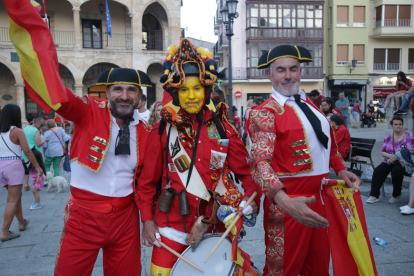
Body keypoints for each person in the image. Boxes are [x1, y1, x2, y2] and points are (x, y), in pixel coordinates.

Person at [138, 38, 261, 276]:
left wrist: (249, 200)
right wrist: (147, 221)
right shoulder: (161, 130)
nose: (191, 96)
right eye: (184, 90)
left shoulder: (224, 129)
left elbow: (247, 175)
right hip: (169, 231)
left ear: (206, 91)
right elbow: (146, 184)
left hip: (215, 230)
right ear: (176, 94)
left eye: (196, 89)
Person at [248, 44, 359, 276]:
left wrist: (340, 169)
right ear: (269, 74)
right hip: (287, 200)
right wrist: (283, 200)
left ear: (301, 71)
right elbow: (259, 164)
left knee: (318, 267)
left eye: (293, 69)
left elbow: (327, 144)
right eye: (280, 70)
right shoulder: (264, 112)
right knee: (283, 270)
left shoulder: (310, 105)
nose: (288, 75)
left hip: (319, 196)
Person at [0, 104, 43, 242]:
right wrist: (37, 167)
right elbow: (27, 151)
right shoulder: (17, 131)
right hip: (13, 165)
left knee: (15, 196)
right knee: (12, 199)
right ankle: (5, 232)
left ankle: (21, 223)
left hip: (1, 165)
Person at [367, 117, 413, 204]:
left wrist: (396, 156)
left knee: (396, 171)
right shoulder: (388, 137)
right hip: (389, 160)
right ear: (392, 126)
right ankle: (374, 195)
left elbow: (411, 150)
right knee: (378, 170)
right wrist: (389, 156)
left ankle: (396, 194)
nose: (398, 126)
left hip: (402, 162)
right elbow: (382, 152)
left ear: (402, 125)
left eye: (400, 124)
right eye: (396, 124)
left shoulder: (408, 136)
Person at [22, 117, 48, 191]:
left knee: (27, 167)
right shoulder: (36, 131)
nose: (42, 126)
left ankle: (26, 184)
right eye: (41, 125)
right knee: (36, 168)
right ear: (36, 123)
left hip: (26, 150)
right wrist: (45, 141)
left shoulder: (26, 128)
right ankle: (37, 183)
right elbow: (38, 143)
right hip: (35, 152)